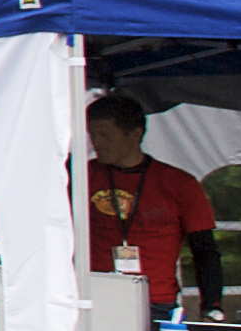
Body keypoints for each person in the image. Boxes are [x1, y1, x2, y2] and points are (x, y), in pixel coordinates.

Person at [89, 91, 226, 316]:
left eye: (105, 135)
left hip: (156, 302)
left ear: (135, 134)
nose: (97, 143)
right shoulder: (81, 177)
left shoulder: (178, 183)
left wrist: (211, 307)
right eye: (92, 135)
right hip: (94, 296)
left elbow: (204, 250)